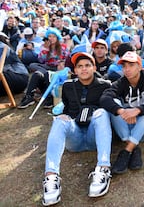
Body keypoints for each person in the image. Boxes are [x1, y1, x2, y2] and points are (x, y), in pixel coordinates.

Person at [41, 52, 112, 206]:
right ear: (75, 70)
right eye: (79, 66)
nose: (84, 69)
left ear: (94, 67)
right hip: (76, 136)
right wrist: (65, 116)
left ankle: (103, 168)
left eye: (87, 65)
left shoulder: (105, 85)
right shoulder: (68, 86)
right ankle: (51, 177)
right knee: (59, 119)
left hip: (95, 135)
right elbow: (66, 107)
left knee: (102, 112)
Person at [101, 51, 144, 175]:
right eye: (124, 66)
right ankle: (133, 147)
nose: (127, 69)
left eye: (131, 65)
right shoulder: (121, 82)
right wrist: (121, 111)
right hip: (127, 127)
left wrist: (138, 110)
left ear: (139, 67)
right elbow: (104, 98)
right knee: (113, 104)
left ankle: (126, 151)